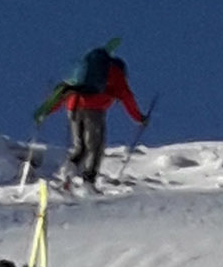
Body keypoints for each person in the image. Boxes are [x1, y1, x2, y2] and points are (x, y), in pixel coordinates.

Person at [38, 46, 146, 189]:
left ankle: (67, 175)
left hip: (73, 107)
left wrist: (47, 110)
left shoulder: (83, 72)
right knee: (95, 147)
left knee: (80, 147)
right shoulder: (114, 72)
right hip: (94, 109)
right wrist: (139, 118)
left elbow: (65, 90)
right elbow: (126, 96)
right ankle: (88, 183)